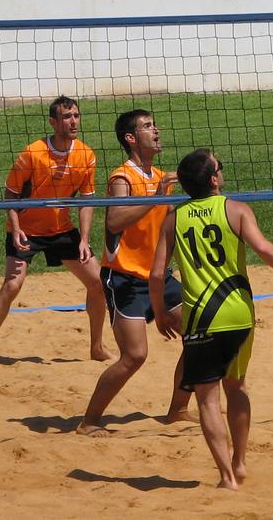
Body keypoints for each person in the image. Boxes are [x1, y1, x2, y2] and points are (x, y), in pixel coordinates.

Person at [150, 148, 273, 490]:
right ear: (212, 179)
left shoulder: (173, 220)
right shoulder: (236, 209)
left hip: (200, 318)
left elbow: (155, 274)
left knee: (207, 398)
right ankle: (240, 461)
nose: (222, 171)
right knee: (237, 386)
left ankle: (226, 476)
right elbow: (264, 249)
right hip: (238, 312)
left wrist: (161, 312)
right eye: (219, 167)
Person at [0, 95, 110, 372]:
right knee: (12, 285)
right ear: (53, 121)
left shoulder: (86, 154)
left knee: (98, 283)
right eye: (67, 117)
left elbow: (86, 201)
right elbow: (10, 195)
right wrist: (16, 229)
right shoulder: (32, 153)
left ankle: (96, 347)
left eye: (76, 115)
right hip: (26, 231)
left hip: (61, 229)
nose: (73, 121)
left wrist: (84, 239)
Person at [78, 109, 193, 435]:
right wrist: (156, 197)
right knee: (134, 357)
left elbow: (164, 225)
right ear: (131, 139)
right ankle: (88, 422)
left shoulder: (161, 176)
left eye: (154, 124)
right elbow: (114, 220)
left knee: (199, 337)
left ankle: (178, 409)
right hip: (124, 279)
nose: (155, 130)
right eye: (147, 126)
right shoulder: (122, 178)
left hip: (158, 276)